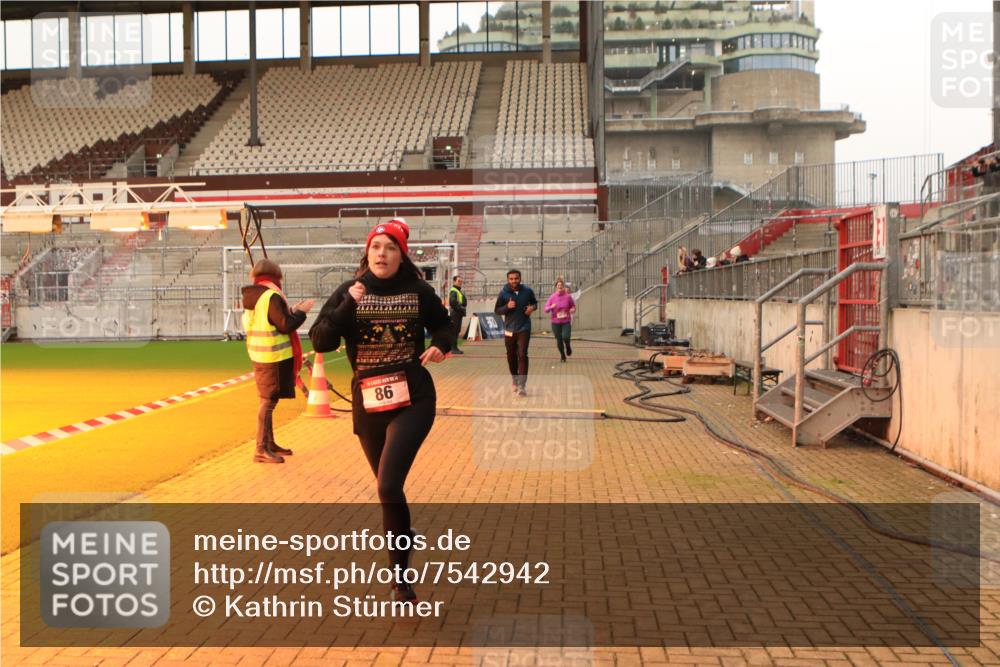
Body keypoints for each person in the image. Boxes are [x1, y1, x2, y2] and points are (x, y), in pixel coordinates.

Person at [309, 218, 451, 604]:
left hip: (414, 398)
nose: (382, 253)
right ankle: (403, 533)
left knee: (387, 485)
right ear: (366, 252)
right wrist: (347, 304)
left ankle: (400, 580)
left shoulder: (418, 290)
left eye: (390, 247)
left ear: (400, 253)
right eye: (376, 247)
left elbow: (445, 325)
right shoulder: (349, 291)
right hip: (368, 402)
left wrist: (440, 345)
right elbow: (321, 341)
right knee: (392, 494)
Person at [241, 259, 314, 464]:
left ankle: (269, 443)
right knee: (268, 402)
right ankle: (261, 448)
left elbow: (272, 320)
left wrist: (291, 310)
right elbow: (284, 324)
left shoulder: (254, 297)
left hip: (260, 355)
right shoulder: (270, 295)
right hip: (273, 356)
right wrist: (301, 312)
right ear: (276, 276)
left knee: (268, 400)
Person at [494, 269, 538, 396]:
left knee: (522, 355)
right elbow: (497, 310)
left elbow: (535, 303)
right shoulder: (503, 293)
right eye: (511, 279)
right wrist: (507, 307)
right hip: (509, 329)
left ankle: (522, 386)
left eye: (516, 278)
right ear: (508, 280)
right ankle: (515, 378)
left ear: (520, 278)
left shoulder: (527, 291)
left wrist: (532, 308)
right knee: (511, 355)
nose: (514, 281)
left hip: (524, 328)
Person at [543, 277, 576, 362]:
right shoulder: (552, 297)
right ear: (556, 287)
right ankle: (562, 355)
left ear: (564, 286)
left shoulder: (568, 297)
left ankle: (568, 346)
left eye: (561, 285)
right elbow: (546, 309)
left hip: (566, 321)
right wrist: (551, 307)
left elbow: (573, 306)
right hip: (555, 322)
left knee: (565, 336)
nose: (560, 286)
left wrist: (572, 309)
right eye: (558, 285)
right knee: (559, 339)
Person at [448, 275, 467, 355]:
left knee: (457, 331)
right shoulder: (454, 291)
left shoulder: (458, 291)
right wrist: (461, 308)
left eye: (461, 281)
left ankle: (455, 348)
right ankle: (453, 348)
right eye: (458, 281)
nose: (460, 283)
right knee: (454, 331)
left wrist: (462, 305)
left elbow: (463, 302)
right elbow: (453, 303)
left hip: (458, 313)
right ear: (454, 281)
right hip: (455, 313)